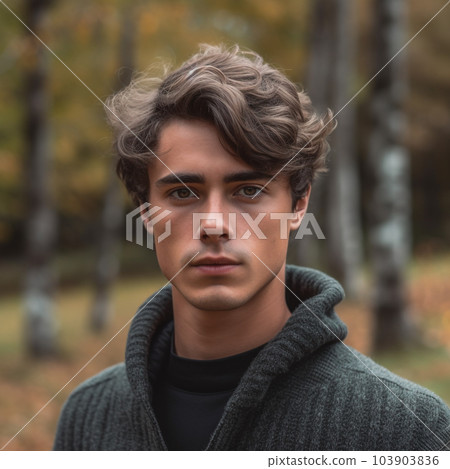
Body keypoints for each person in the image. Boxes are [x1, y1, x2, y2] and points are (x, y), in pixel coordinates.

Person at [53, 44, 450, 451]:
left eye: (247, 190)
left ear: (298, 204)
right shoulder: (88, 416)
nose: (213, 225)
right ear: (145, 210)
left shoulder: (404, 428)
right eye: (183, 192)